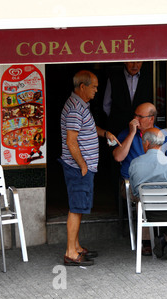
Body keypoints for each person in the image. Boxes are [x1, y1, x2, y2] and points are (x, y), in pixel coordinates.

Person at [59, 70, 120, 266]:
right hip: (78, 168)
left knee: (80, 207)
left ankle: (76, 247)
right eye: (93, 86)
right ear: (82, 87)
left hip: (82, 168)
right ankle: (70, 253)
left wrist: (106, 133)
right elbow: (71, 142)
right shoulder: (76, 109)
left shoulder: (81, 105)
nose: (96, 90)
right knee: (76, 208)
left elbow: (89, 129)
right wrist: (83, 165)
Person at [113, 102, 167, 255]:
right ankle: (147, 241)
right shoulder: (127, 133)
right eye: (135, 115)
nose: (135, 119)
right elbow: (118, 157)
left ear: (151, 119)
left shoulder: (164, 136)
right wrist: (131, 133)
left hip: (160, 184)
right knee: (145, 196)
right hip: (132, 184)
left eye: (139, 117)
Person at [128, 128, 167, 260]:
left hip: (148, 214)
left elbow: (134, 192)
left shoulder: (134, 164)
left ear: (146, 143)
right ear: (162, 144)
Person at [103, 61, 153, 137]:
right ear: (125, 61)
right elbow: (106, 105)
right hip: (118, 128)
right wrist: (117, 118)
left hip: (141, 128)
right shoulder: (114, 78)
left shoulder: (149, 77)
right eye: (132, 62)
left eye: (138, 62)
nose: (135, 65)